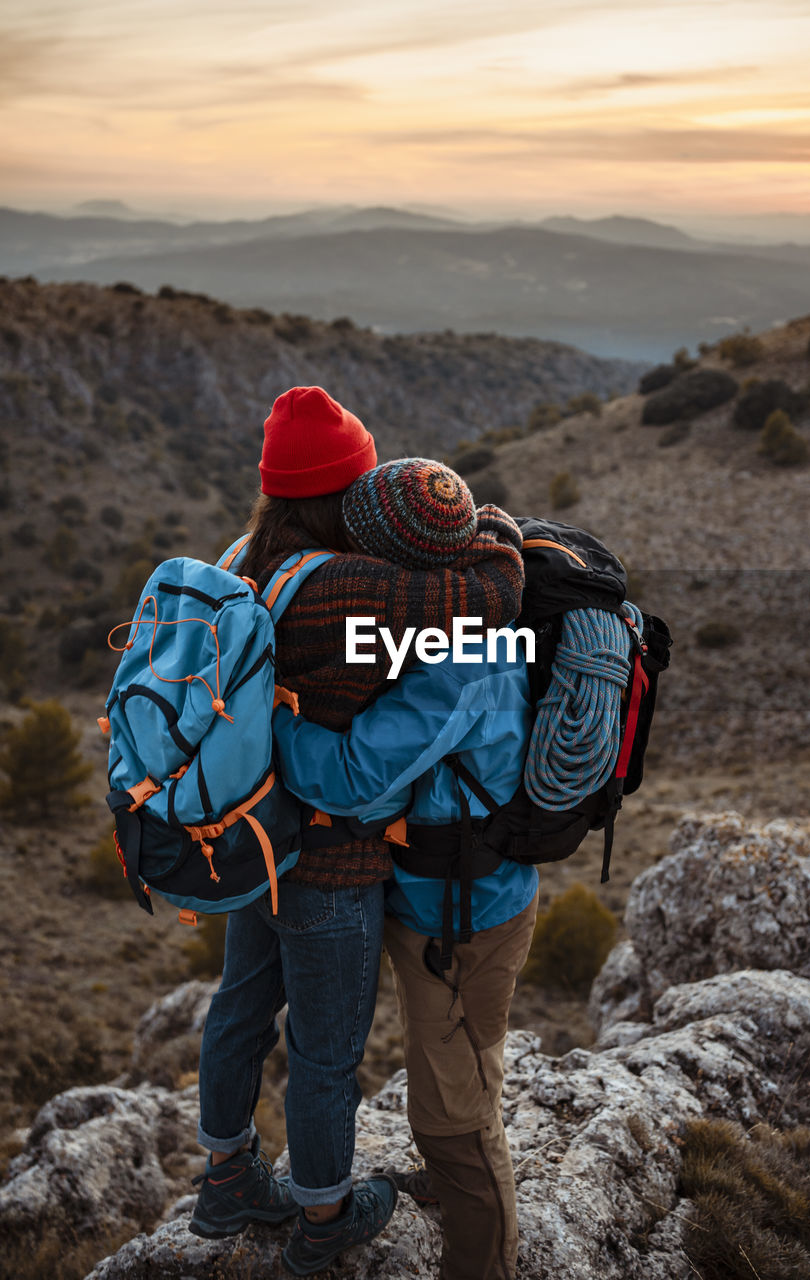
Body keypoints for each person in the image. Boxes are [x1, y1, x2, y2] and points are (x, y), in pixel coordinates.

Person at [189, 387, 525, 1278]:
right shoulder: (355, 587)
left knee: (238, 1011)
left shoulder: (240, 560)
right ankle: (326, 1215)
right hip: (332, 864)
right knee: (325, 1052)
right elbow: (493, 587)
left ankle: (225, 1176)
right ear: (348, 490)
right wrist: (477, 517)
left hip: (250, 839)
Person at [273, 458, 541, 1280]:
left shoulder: (461, 658)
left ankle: (480, 1260)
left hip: (458, 915)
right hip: (437, 896)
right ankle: (457, 1187)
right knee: (450, 1077)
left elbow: (347, 776)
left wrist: (266, 724)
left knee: (454, 1109)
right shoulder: (446, 619)